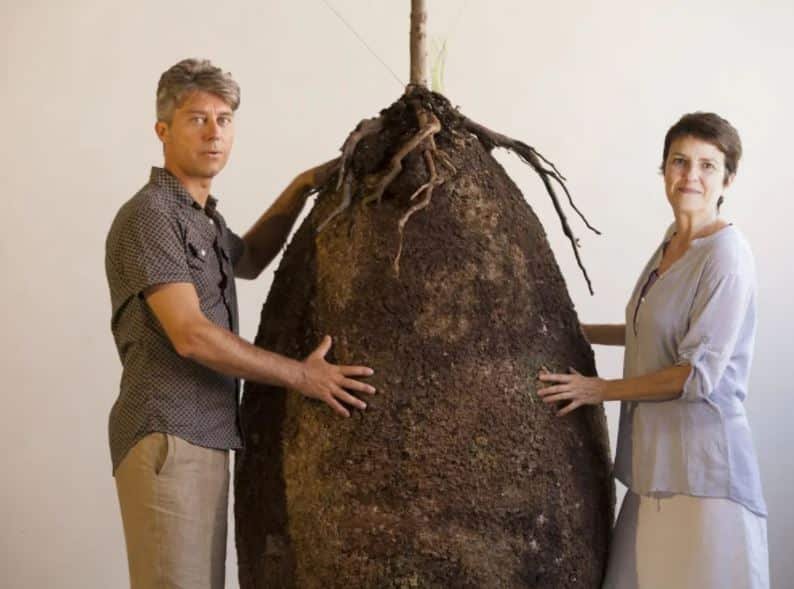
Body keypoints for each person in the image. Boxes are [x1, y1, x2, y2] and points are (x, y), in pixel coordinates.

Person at [104, 58, 376, 589]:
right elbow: (190, 334)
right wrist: (303, 376)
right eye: (197, 119)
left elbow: (247, 259)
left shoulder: (201, 218)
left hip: (201, 435)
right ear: (163, 130)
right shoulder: (151, 214)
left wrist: (301, 187)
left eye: (224, 119)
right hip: (169, 433)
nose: (213, 133)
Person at [537, 112, 768, 588]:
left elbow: (694, 375)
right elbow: (648, 332)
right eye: (680, 162)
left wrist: (598, 389)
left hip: (704, 478)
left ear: (728, 178)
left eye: (707, 165)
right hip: (653, 469)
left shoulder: (726, 255)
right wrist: (572, 329)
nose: (691, 176)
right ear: (663, 169)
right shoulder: (672, 243)